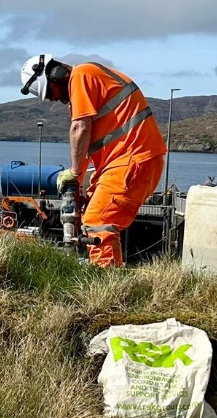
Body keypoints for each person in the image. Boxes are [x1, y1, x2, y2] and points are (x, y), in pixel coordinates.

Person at [20, 54, 166, 267]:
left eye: (50, 92)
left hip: (130, 160)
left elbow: (80, 129)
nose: (54, 99)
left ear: (56, 74)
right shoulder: (88, 80)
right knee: (94, 215)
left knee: (98, 221)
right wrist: (78, 187)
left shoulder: (81, 76)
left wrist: (75, 172)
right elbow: (89, 144)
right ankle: (109, 275)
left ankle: (104, 280)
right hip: (127, 160)